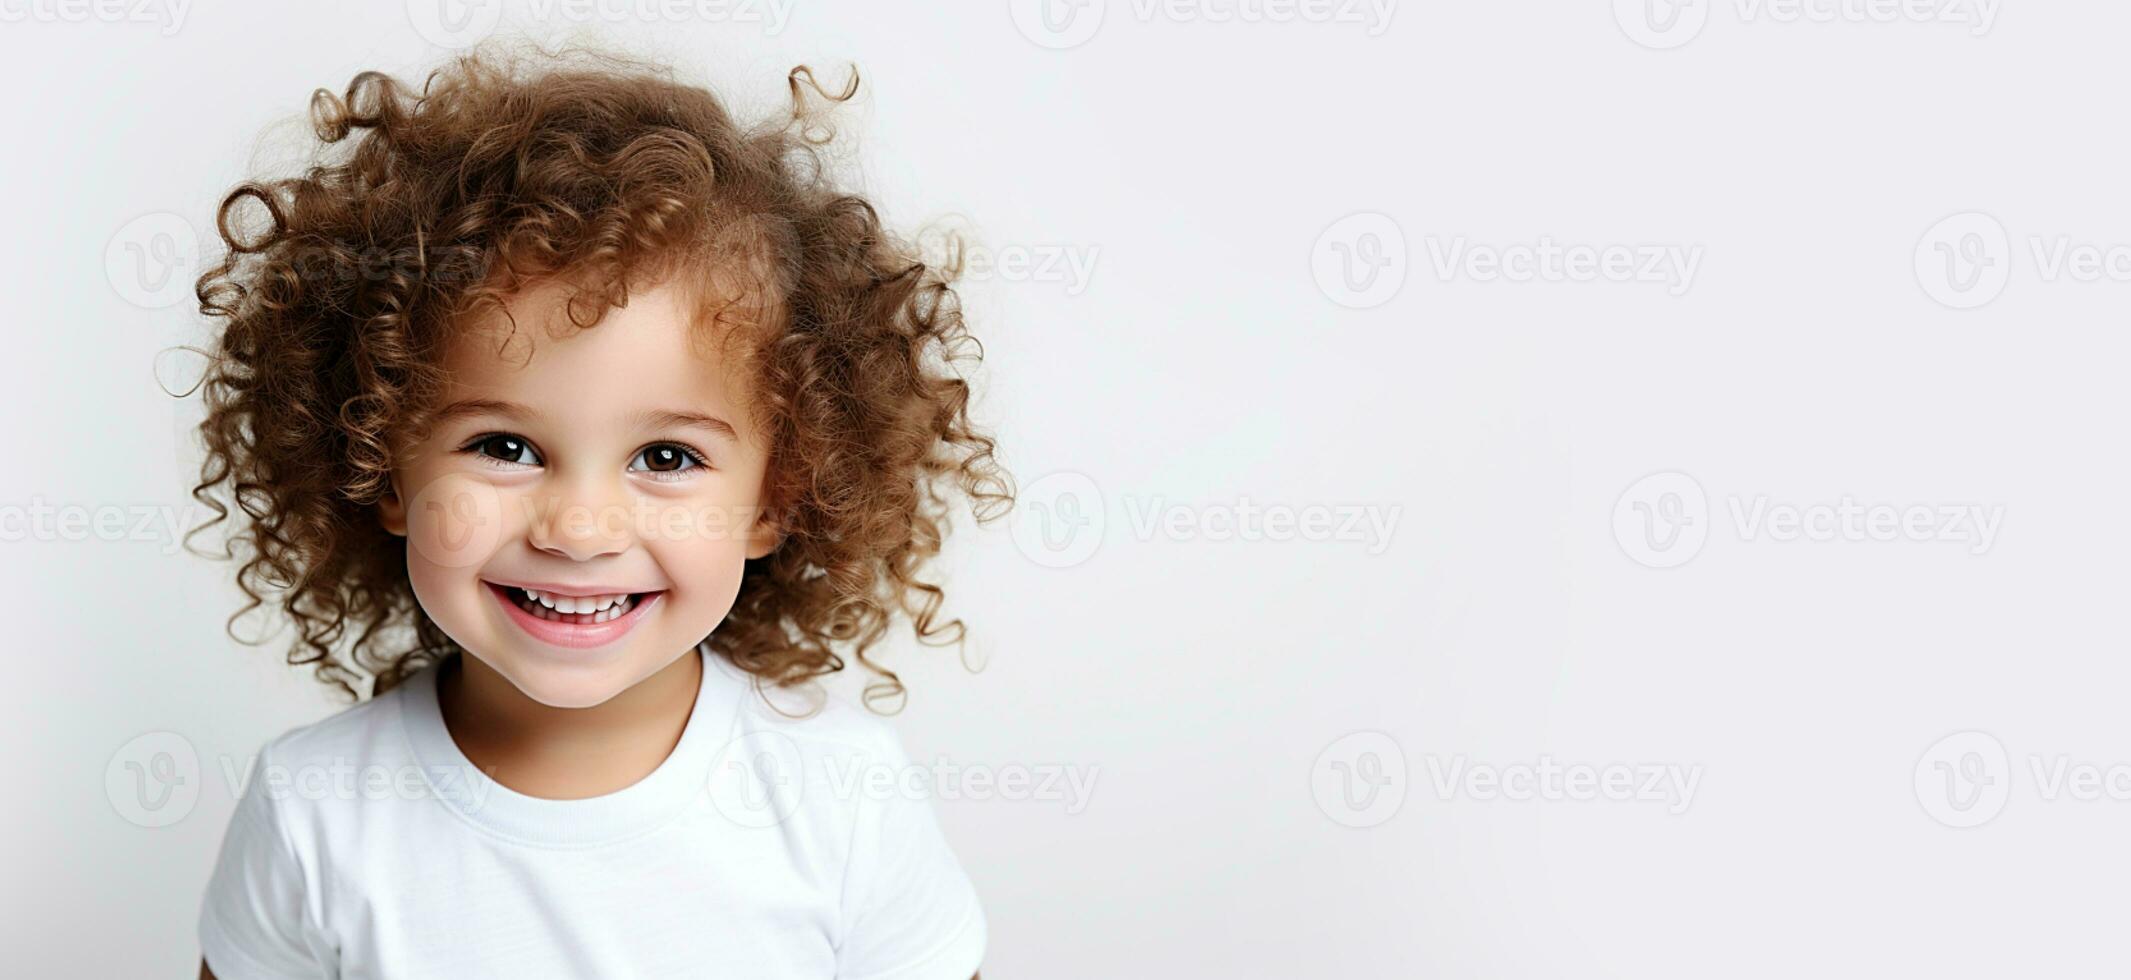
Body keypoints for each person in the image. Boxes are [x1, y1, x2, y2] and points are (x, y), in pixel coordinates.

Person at [187, 42, 1011, 979]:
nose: (579, 528)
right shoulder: (314, 810)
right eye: (504, 447)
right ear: (383, 470)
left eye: (666, 457)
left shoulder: (842, 795)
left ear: (777, 497)